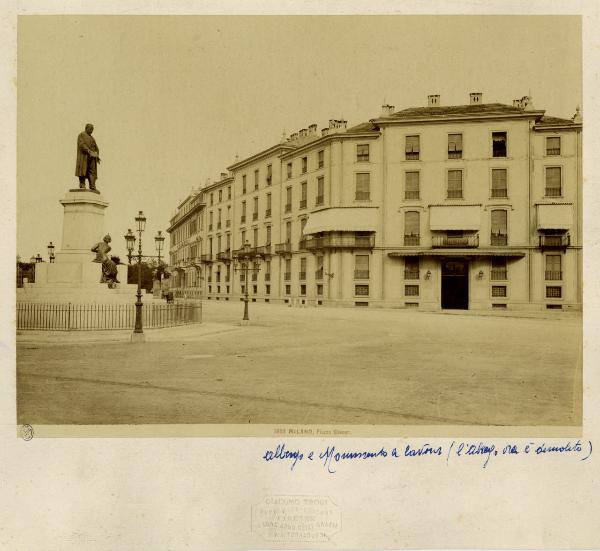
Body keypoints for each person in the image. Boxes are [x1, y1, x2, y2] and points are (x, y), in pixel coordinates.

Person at [75, 123, 100, 191]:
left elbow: (96, 148)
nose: (92, 130)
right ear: (86, 128)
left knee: (92, 171)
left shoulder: (92, 138)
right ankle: (82, 184)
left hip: (92, 158)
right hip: (84, 156)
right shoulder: (81, 135)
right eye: (90, 129)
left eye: (92, 129)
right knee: (83, 170)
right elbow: (81, 144)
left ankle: (92, 185)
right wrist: (88, 151)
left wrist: (97, 155)